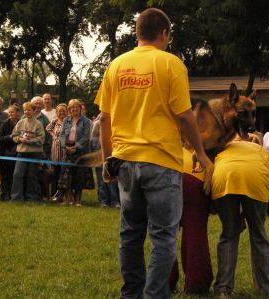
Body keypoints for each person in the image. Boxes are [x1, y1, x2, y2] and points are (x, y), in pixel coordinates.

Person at [96, 8, 212, 298]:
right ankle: (155, 295)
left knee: (130, 235)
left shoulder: (115, 66)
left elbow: (105, 119)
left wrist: (105, 160)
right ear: (164, 34)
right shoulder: (171, 64)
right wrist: (200, 151)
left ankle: (131, 294)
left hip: (124, 161)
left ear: (137, 33)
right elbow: (184, 116)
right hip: (161, 161)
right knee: (163, 237)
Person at [211, 140, 269, 297]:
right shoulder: (262, 150)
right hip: (255, 179)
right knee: (258, 235)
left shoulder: (223, 146)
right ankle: (266, 290)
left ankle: (223, 289)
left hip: (223, 176)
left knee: (229, 234)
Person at [169, 146, 213, 294]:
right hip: (196, 176)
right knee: (195, 233)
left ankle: (164, 280)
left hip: (167, 170)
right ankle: (196, 284)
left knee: (165, 233)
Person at [58, 99, 92, 206]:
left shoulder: (86, 121)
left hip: (80, 150)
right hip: (67, 150)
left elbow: (86, 137)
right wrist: (65, 146)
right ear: (69, 109)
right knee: (66, 175)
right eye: (72, 107)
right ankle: (68, 199)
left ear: (80, 108)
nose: (74, 109)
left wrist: (76, 147)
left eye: (76, 107)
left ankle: (78, 200)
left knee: (79, 174)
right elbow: (62, 134)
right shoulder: (66, 120)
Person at [11, 102, 45, 201]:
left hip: (34, 154)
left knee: (32, 176)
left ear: (34, 111)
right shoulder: (20, 122)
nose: (27, 112)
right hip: (21, 153)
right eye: (25, 110)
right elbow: (13, 135)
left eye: (29, 110)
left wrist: (31, 141)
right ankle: (16, 197)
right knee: (17, 174)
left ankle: (31, 197)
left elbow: (41, 139)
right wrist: (20, 139)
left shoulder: (38, 124)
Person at [90, 115, 120, 208]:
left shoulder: (117, 122)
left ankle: (115, 201)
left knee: (112, 180)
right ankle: (104, 200)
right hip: (99, 155)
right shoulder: (98, 123)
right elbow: (93, 138)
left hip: (113, 155)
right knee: (101, 180)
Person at [0, 105, 20, 201]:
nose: (10, 114)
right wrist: (10, 137)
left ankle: (15, 194)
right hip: (5, 153)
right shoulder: (4, 124)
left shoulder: (21, 123)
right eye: (9, 112)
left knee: (15, 175)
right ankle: (5, 194)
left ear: (18, 113)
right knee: (5, 175)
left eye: (12, 112)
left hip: (18, 152)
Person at [30, 96, 52, 200]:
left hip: (40, 152)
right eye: (36, 103)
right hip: (27, 151)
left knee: (41, 175)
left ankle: (42, 195)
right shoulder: (24, 117)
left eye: (40, 103)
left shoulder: (45, 119)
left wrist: (45, 151)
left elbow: (48, 137)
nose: (38, 105)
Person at [46, 103, 68, 201]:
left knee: (63, 173)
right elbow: (48, 128)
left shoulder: (68, 121)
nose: (62, 113)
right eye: (60, 111)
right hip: (55, 149)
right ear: (57, 112)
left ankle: (63, 195)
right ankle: (54, 194)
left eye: (64, 111)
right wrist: (53, 135)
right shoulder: (54, 121)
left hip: (65, 148)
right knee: (55, 172)